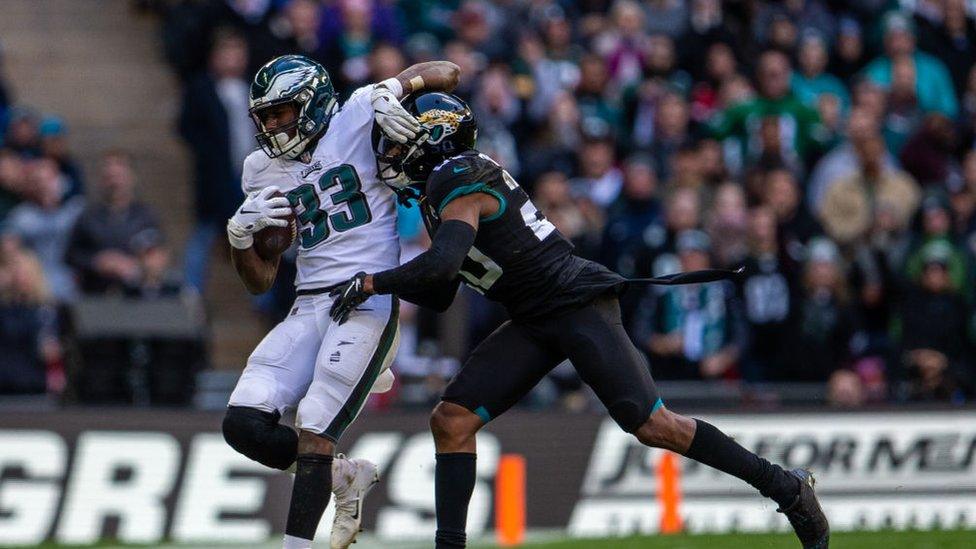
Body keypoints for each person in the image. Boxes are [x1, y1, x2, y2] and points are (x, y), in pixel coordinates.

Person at [329, 92, 829, 549]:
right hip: (533, 316)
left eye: (401, 141)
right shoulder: (444, 192)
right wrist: (395, 282)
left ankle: (786, 487)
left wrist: (373, 282)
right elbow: (440, 292)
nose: (391, 153)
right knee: (452, 420)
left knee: (655, 426)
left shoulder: (459, 175)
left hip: (574, 303)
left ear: (434, 140)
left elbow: (439, 267)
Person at [220, 55, 459, 549]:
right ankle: (344, 476)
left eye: (281, 112)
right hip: (308, 304)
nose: (271, 126)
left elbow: (447, 71)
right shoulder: (260, 168)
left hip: (365, 296)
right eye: (264, 116)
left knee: (315, 424)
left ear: (312, 102)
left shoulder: (355, 114)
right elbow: (261, 281)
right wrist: (241, 239)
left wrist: (392, 88)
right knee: (242, 423)